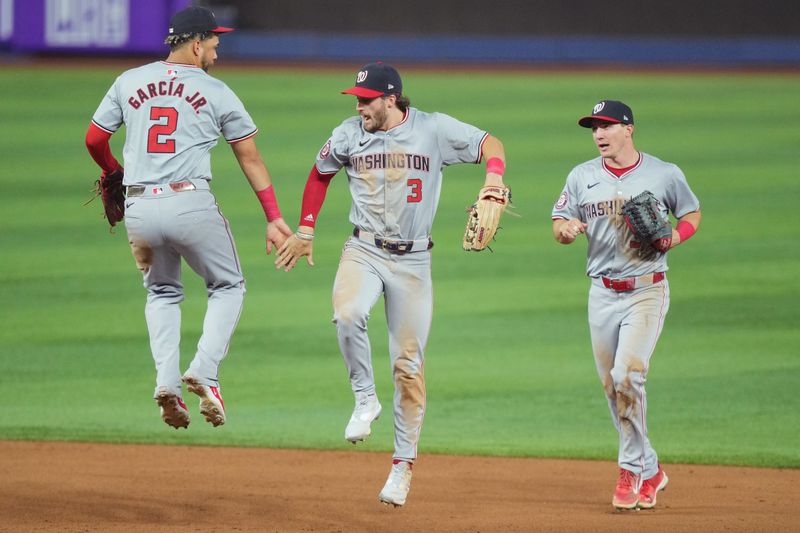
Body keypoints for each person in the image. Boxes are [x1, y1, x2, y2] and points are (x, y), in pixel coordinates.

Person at [275, 62, 507, 507]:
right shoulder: (347, 134)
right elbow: (319, 173)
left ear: (391, 99)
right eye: (356, 100)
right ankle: (365, 399)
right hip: (363, 249)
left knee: (408, 366)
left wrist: (493, 176)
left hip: (414, 260)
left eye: (366, 100)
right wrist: (306, 230)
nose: (359, 107)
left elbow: (489, 143)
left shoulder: (434, 130)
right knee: (347, 313)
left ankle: (402, 466)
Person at [85, 6, 291, 430]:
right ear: (196, 44)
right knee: (228, 285)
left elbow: (94, 139)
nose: (216, 52)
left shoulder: (129, 80)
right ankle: (205, 371)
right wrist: (273, 216)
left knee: (161, 293)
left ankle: (167, 384)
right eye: (214, 44)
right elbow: (249, 156)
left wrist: (110, 171)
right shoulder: (216, 91)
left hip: (140, 209)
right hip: (189, 203)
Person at [551, 100, 701, 510]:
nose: (598, 134)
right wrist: (566, 231)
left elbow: (691, 211)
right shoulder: (581, 176)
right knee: (612, 388)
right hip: (601, 293)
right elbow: (560, 222)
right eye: (593, 128)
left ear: (628, 129)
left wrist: (675, 238)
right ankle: (651, 469)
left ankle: (629, 469)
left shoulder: (663, 173)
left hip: (646, 290)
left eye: (606, 126)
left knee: (627, 374)